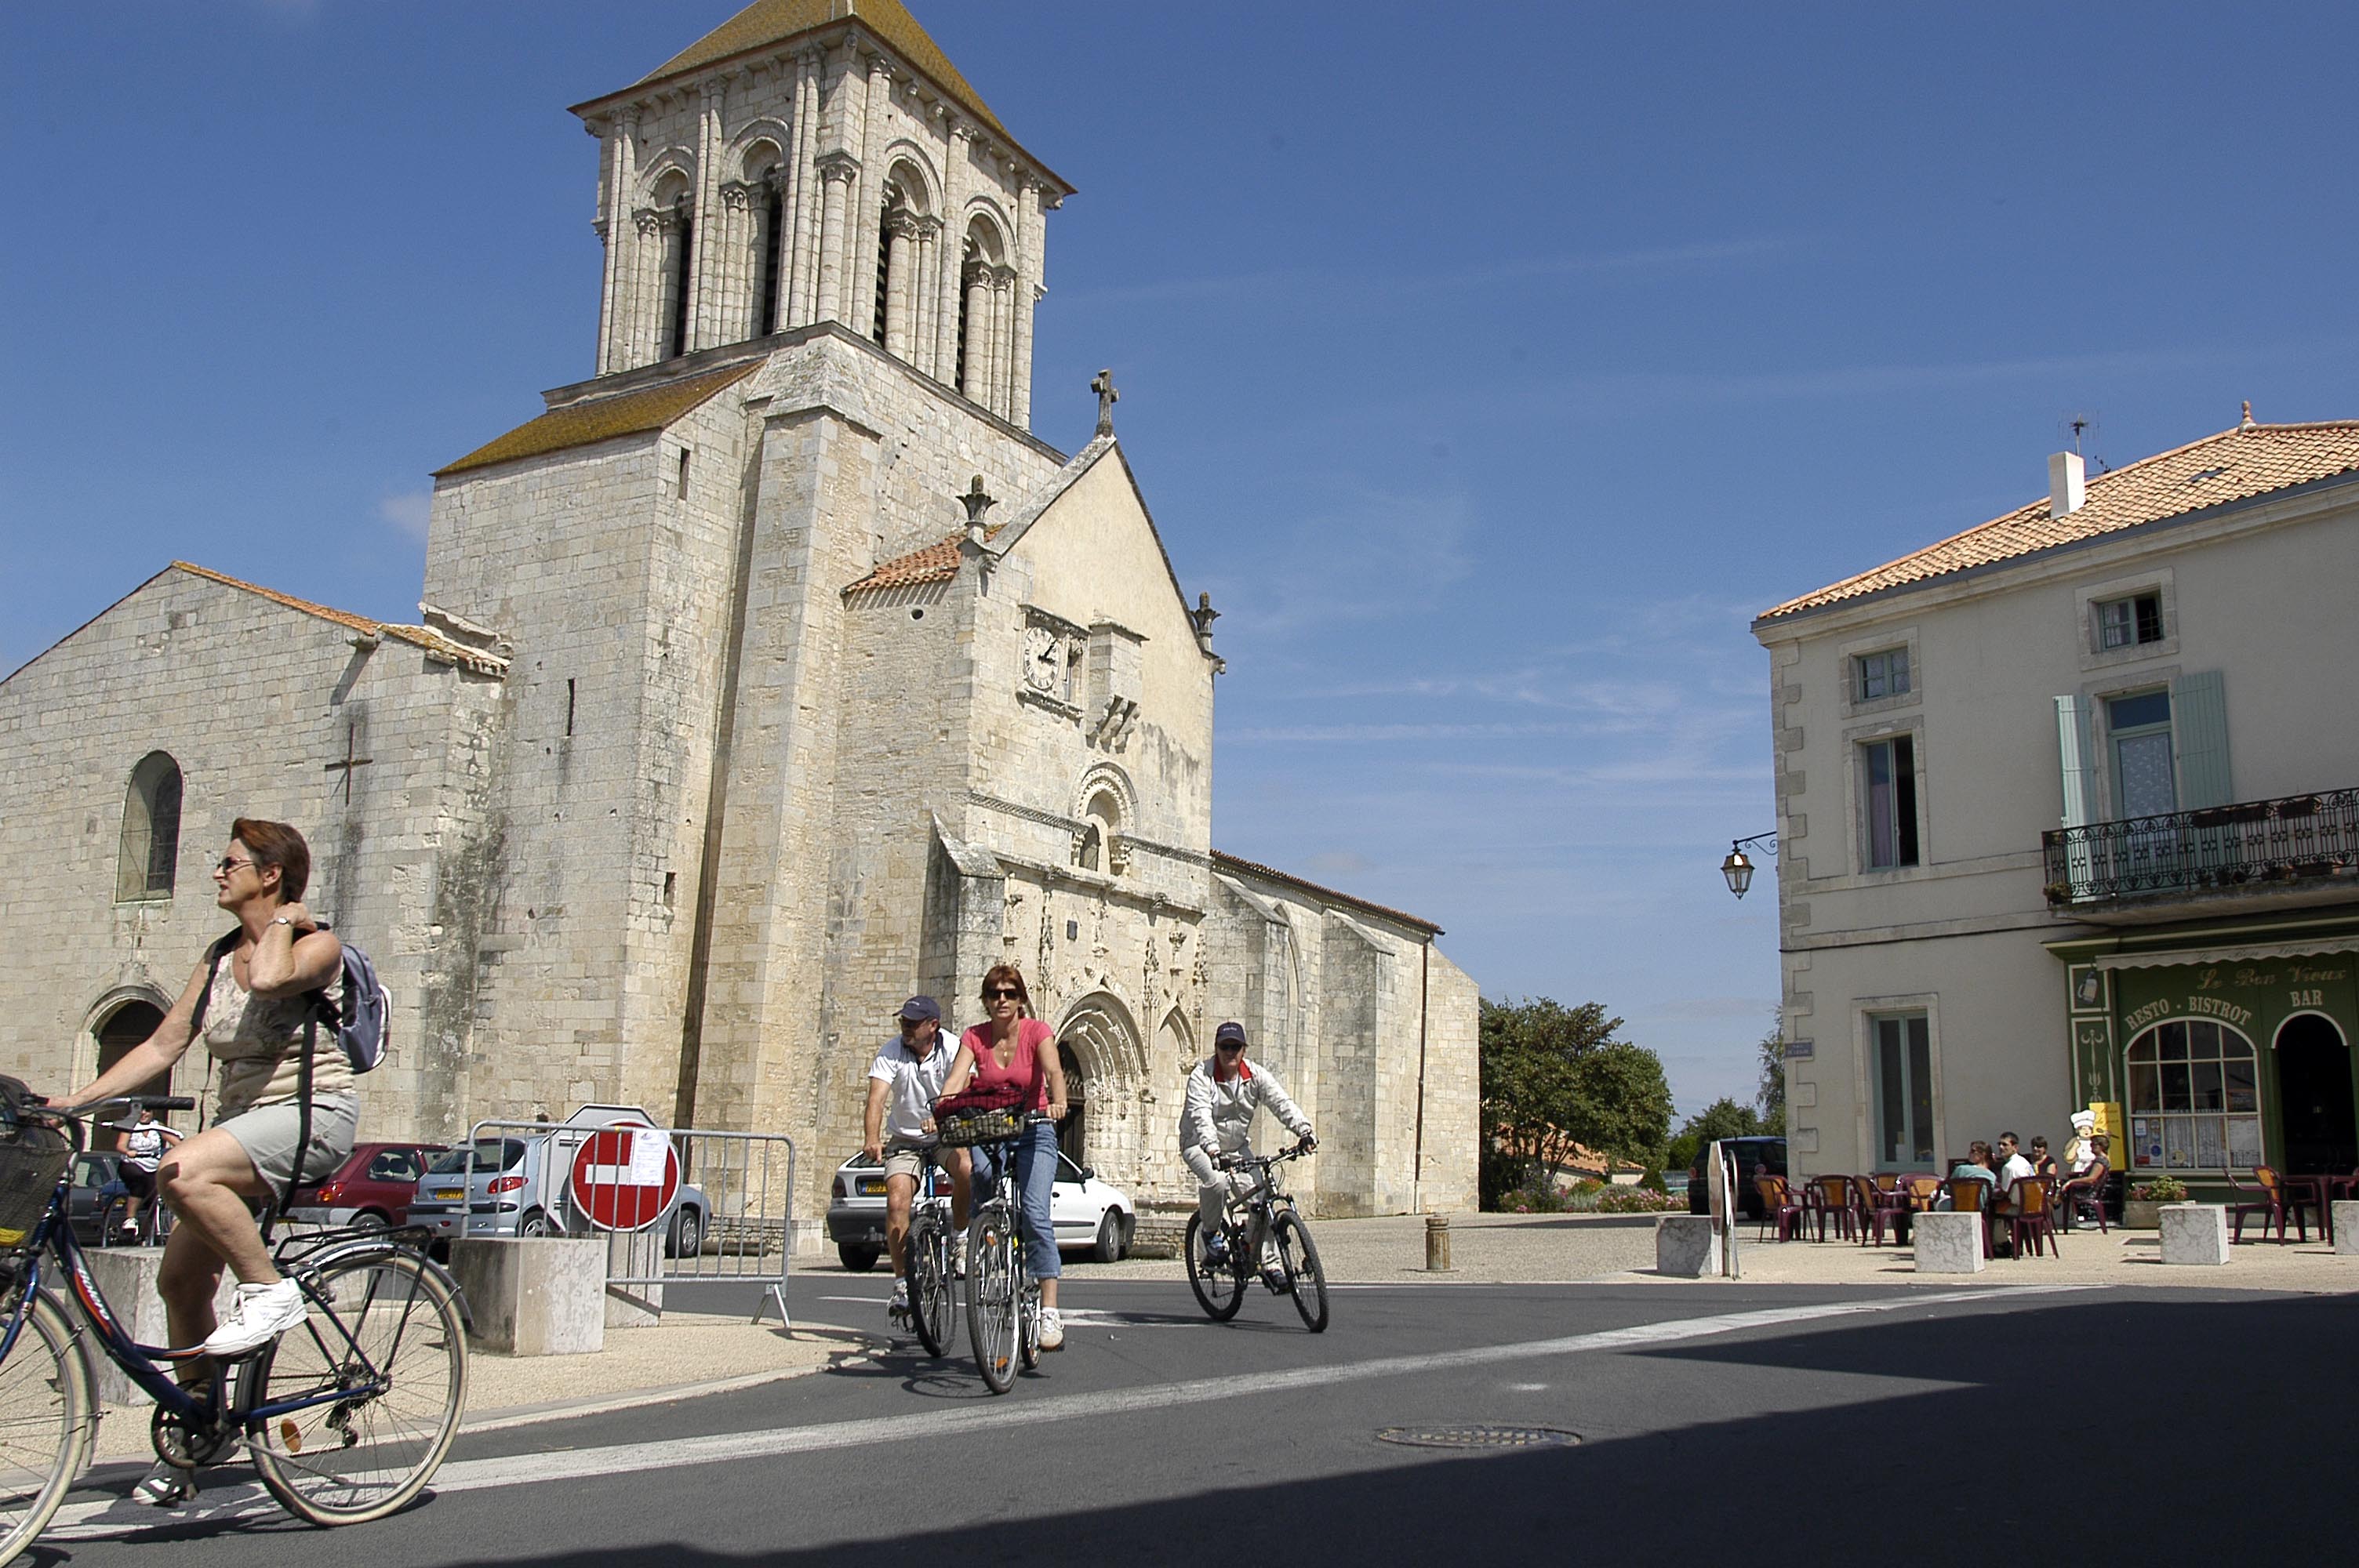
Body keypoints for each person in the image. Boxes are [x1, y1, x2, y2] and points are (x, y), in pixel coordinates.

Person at [53, 819, 353, 1505]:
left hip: (312, 1117)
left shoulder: (318, 945)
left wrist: (282, 923)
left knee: (182, 1170)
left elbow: (275, 978)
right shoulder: (217, 959)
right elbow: (162, 1045)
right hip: (242, 1128)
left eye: (231, 863)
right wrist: (75, 1102)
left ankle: (270, 1291)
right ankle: (200, 1429)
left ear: (270, 874)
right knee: (180, 1284)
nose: (217, 873)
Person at [936, 965, 1069, 1351]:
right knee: (979, 1176)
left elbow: (1054, 1070)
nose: (1002, 1000)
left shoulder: (1037, 1032)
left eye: (1010, 993)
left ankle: (1049, 1310)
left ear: (1021, 998)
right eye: (994, 994)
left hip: (1034, 1127)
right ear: (985, 1000)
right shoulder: (975, 1036)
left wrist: (1058, 1103)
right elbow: (957, 1080)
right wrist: (941, 1111)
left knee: (1034, 1210)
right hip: (989, 1127)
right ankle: (986, 1248)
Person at [1179, 1021, 1315, 1279]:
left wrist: (1304, 1131)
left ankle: (1269, 1263)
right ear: (1216, 1048)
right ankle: (1210, 1233)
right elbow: (1201, 1115)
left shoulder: (1255, 1076)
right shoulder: (1202, 1076)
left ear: (1244, 1050)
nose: (1230, 1052)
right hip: (1199, 1144)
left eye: (1236, 1047)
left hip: (1237, 1148)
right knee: (1217, 1181)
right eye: (1225, 1047)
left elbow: (1280, 1102)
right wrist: (1213, 1151)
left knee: (1263, 1198)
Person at [862, 995, 970, 1319]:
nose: (905, 1028)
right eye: (903, 1022)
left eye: (913, 1023)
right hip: (906, 1137)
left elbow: (965, 1087)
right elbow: (876, 1099)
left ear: (933, 1026)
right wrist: (871, 1138)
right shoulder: (891, 1051)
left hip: (946, 1133)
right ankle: (901, 1285)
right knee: (896, 1202)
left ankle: (960, 1236)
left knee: (967, 1169)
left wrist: (943, 1116)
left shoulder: (953, 1048)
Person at [112, 1105, 184, 1239]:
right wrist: (128, 1152)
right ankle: (130, 1219)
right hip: (132, 1163)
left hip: (152, 1165)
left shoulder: (157, 1126)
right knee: (138, 1182)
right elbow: (120, 1145)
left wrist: (186, 1149)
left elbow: (177, 1142)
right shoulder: (131, 1126)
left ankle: (149, 1232)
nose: (144, 1114)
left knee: (156, 1194)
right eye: (141, 1111)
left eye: (148, 1111)